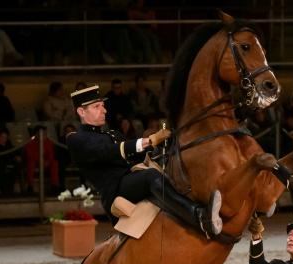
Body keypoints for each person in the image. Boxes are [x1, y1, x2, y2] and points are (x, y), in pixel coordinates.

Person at [66, 84, 222, 237]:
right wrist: (149, 140)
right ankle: (199, 216)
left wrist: (158, 142)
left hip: (132, 179)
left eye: (103, 106)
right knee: (150, 176)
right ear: (81, 111)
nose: (104, 110)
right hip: (116, 192)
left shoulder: (111, 133)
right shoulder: (76, 139)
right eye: (97, 107)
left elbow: (134, 155)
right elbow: (110, 152)